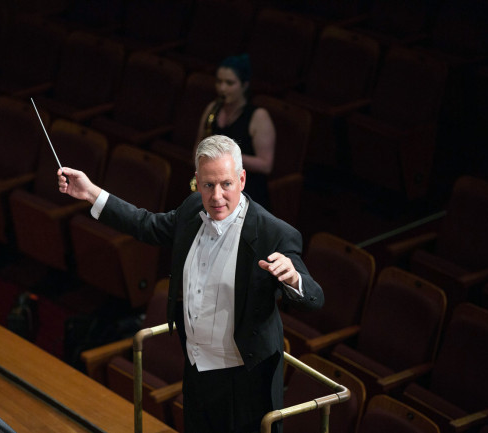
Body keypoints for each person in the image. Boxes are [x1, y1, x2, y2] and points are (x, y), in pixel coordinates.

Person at [58, 135, 323, 433]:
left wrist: (293, 279)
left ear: (242, 179)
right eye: (208, 185)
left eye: (226, 184)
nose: (217, 197)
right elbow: (146, 224)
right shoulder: (191, 210)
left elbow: (314, 298)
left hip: (245, 382)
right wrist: (91, 192)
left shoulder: (273, 232)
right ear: (197, 181)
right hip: (197, 370)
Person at [196, 54, 276, 210]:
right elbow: (199, 145)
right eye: (219, 82)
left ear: (244, 85)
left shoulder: (258, 116)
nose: (222, 88)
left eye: (229, 83)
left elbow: (266, 164)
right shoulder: (213, 109)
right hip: (215, 187)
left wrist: (225, 157)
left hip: (247, 194)